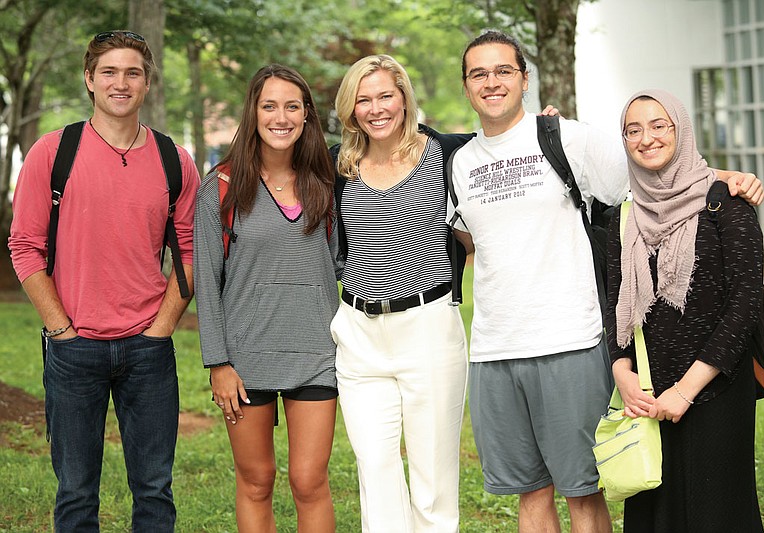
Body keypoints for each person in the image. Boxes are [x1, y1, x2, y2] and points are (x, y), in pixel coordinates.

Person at [446, 30, 764, 533]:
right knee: (529, 492)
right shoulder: (459, 164)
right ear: (465, 85)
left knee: (581, 491)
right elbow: (469, 242)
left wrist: (728, 177)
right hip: (493, 350)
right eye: (478, 73)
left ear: (524, 79)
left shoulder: (566, 137)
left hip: (568, 340)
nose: (492, 82)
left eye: (504, 70)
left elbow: (654, 166)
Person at [8, 31, 199, 532]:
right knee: (75, 492)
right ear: (89, 80)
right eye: (109, 72)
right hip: (73, 349)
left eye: (132, 72)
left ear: (147, 82)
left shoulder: (173, 160)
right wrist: (60, 328)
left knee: (155, 490)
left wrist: (161, 329)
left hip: (148, 349)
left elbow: (192, 251)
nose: (121, 82)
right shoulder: (53, 153)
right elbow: (25, 247)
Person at [605, 89, 764, 532]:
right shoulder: (624, 216)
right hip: (649, 396)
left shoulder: (727, 203)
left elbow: (745, 303)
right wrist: (621, 371)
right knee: (655, 518)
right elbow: (613, 303)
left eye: (659, 125)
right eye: (632, 130)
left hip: (715, 393)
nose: (646, 138)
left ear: (681, 129)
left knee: (715, 515)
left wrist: (687, 389)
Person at [193, 64, 339, 533]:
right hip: (244, 359)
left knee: (309, 480)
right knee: (256, 480)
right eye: (269, 105)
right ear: (253, 113)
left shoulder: (327, 184)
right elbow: (207, 283)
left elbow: (341, 266)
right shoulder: (221, 186)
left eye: (292, 106)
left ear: (306, 115)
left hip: (317, 354)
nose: (281, 116)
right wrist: (218, 362)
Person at [330, 54, 473, 532]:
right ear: (350, 108)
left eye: (385, 95)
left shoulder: (448, 153)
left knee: (433, 478)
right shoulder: (339, 165)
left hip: (428, 328)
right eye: (363, 99)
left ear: (404, 97)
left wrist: (546, 126)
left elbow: (509, 151)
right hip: (359, 334)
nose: (376, 108)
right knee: (376, 472)